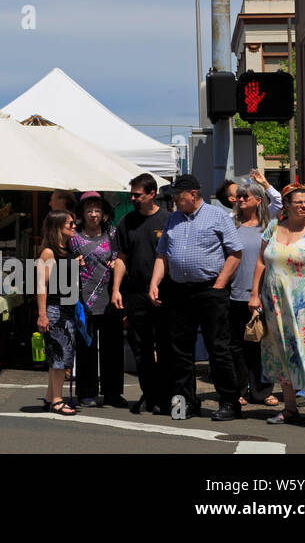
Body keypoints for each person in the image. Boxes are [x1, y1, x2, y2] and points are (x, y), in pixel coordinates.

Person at [148, 174, 243, 422]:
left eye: (178, 197)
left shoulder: (219, 216)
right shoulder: (172, 220)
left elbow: (235, 253)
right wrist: (154, 283)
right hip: (179, 291)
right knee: (180, 351)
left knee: (218, 348)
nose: (175, 202)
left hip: (210, 289)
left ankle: (229, 402)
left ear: (193, 194)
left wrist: (220, 283)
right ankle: (184, 404)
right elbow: (162, 256)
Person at [249, 184, 305, 428]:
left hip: (304, 304)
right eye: (298, 202)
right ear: (286, 205)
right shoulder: (273, 227)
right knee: (281, 352)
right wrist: (254, 294)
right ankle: (289, 408)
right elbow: (260, 262)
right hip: (274, 303)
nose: (303, 205)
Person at [111, 173, 172, 415]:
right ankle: (150, 394)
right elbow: (121, 258)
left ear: (151, 194)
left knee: (166, 345)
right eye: (132, 194)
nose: (133, 198)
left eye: (138, 194)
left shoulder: (168, 219)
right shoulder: (126, 222)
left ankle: (166, 396)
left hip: (165, 292)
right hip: (135, 293)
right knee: (141, 347)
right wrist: (116, 289)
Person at [226, 179, 279, 408]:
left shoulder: (270, 226)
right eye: (238, 196)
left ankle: (262, 390)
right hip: (235, 294)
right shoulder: (231, 225)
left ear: (258, 200)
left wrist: (265, 183)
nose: (240, 199)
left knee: (261, 344)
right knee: (236, 346)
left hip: (263, 295)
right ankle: (240, 389)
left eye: (245, 196)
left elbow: (277, 200)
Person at [70, 191, 124, 408]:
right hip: (83, 300)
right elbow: (61, 259)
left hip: (111, 298)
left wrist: (116, 262)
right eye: (89, 210)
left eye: (97, 210)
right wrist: (73, 262)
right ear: (82, 213)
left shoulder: (113, 233)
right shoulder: (73, 237)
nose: (93, 214)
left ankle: (113, 393)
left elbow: (122, 258)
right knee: (86, 348)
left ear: (104, 213)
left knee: (113, 349)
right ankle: (87, 392)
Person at [37, 210, 80, 416]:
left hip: (67, 309)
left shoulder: (65, 250)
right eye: (70, 224)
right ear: (58, 227)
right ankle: (57, 400)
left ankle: (49, 397)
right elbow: (42, 285)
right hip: (55, 311)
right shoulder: (49, 252)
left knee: (60, 355)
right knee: (60, 357)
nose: (74, 226)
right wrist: (42, 314)